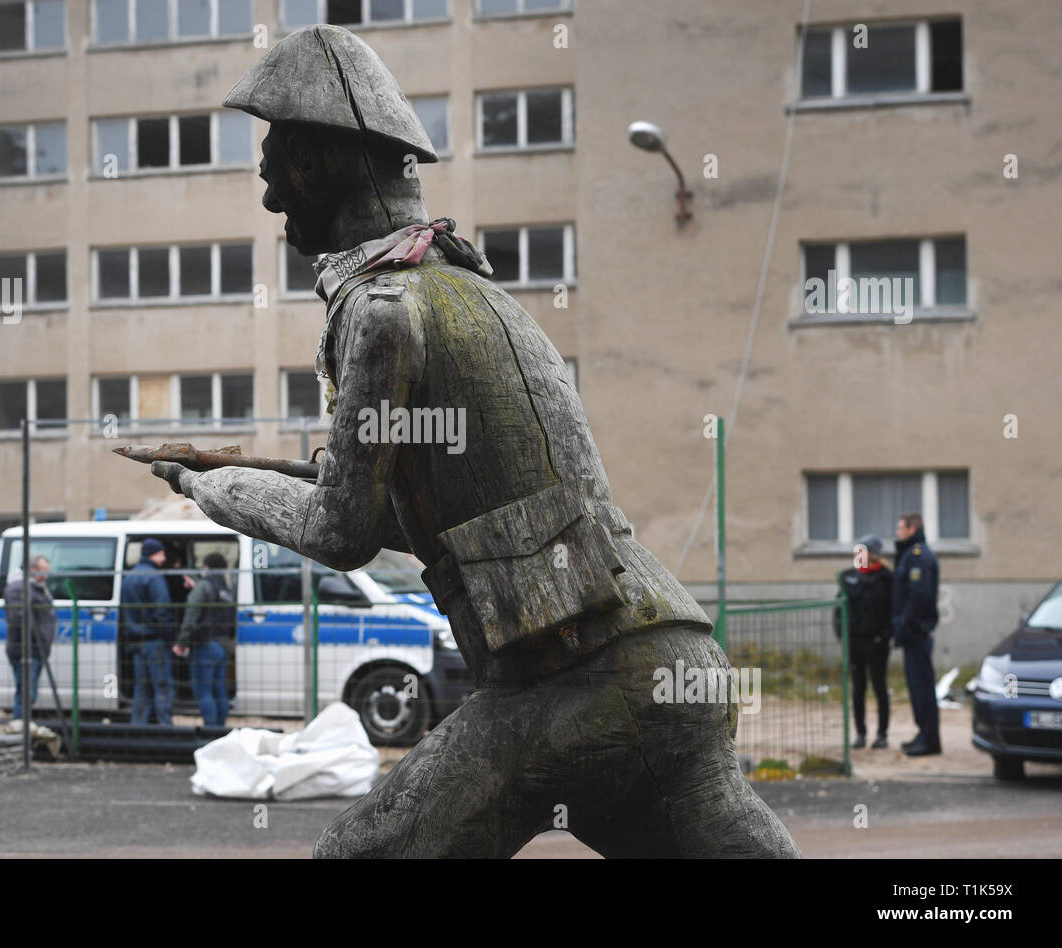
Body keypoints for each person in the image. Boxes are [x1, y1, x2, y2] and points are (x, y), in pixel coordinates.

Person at [151, 26, 798, 857]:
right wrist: (277, 471)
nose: (275, 201)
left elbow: (341, 532)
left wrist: (213, 489)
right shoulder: (479, 296)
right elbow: (422, 512)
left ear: (335, 163)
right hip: (672, 664)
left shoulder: (386, 311)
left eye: (284, 174)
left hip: (571, 687)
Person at [834, 535, 892, 750]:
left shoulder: (886, 578)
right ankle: (860, 733)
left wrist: (884, 635)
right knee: (858, 689)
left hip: (877, 643)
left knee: (879, 688)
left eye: (863, 551)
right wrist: (841, 633)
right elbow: (839, 609)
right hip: (855, 643)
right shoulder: (849, 577)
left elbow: (891, 611)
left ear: (873, 555)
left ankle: (882, 734)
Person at [893, 512, 941, 756]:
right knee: (917, 686)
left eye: (900, 528)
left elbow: (919, 595)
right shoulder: (909, 555)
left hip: (916, 633)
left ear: (912, 529)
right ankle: (924, 734)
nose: (897, 532)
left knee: (922, 687)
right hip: (912, 633)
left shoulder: (918, 556)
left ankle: (930, 739)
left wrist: (905, 624)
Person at [174, 553, 234, 728]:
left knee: (203, 691)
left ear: (206, 567)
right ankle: (220, 729)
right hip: (224, 645)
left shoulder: (203, 587)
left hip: (206, 644)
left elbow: (191, 616)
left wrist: (181, 642)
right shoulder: (225, 589)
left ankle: (210, 730)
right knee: (219, 689)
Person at [120, 538, 175, 726]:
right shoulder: (154, 577)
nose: (164, 558)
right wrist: (170, 636)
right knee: (162, 686)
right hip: (155, 641)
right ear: (155, 553)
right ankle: (166, 728)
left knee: (142, 686)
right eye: (162, 553)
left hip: (136, 640)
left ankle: (138, 727)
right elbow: (163, 610)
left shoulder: (129, 576)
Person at [2, 555, 55, 720]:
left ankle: (23, 727)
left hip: (37, 649)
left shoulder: (38, 588)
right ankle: (20, 731)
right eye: (42, 571)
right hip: (25, 649)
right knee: (26, 694)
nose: (45, 576)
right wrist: (37, 637)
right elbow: (17, 619)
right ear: (32, 569)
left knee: (29, 693)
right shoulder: (19, 589)